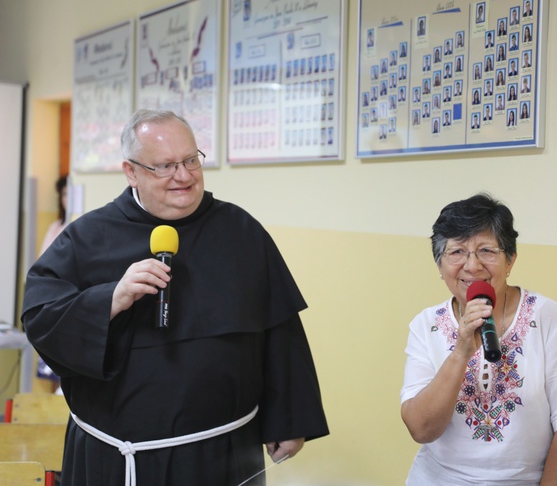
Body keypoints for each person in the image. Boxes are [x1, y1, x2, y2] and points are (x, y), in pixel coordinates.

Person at [22, 109, 329, 485]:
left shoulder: (242, 232)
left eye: (190, 160)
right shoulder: (86, 237)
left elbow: (281, 331)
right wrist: (110, 299)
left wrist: (288, 419)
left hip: (223, 452)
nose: (183, 176)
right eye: (165, 166)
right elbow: (40, 316)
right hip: (117, 457)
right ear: (131, 171)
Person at [400, 194, 557, 485]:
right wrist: (460, 352)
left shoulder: (547, 317)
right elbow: (421, 429)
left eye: (486, 251)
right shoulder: (425, 325)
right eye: (456, 252)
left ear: (510, 260)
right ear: (439, 266)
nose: (472, 266)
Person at [35, 175, 69, 392]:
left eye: (70, 193)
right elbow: (41, 264)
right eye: (63, 194)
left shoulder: (79, 225)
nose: (67, 199)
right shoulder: (55, 226)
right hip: (50, 299)